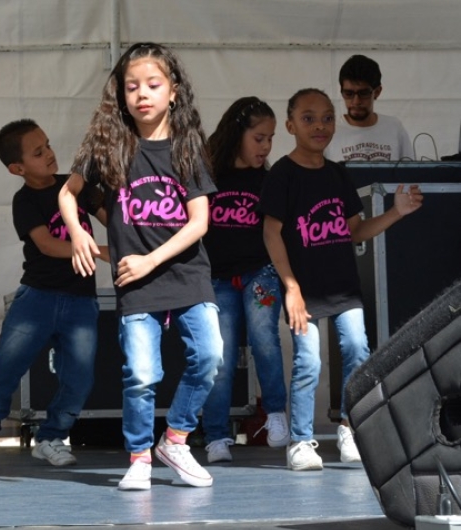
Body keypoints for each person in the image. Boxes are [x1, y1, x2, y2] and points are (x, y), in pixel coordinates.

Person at [59, 42, 223, 490]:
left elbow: (200, 222)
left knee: (209, 356)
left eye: (153, 84)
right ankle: (139, 458)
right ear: (121, 94)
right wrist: (79, 234)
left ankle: (175, 439)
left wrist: (151, 258)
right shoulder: (110, 145)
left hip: (186, 275)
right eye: (132, 86)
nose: (142, 94)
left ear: (173, 92)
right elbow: (67, 193)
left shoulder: (187, 146)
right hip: (136, 285)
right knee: (142, 374)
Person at [260, 88, 423, 471]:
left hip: (343, 287)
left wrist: (396, 213)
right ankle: (300, 442)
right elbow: (271, 233)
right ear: (290, 125)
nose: (320, 126)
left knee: (357, 349)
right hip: (303, 290)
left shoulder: (337, 174)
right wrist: (292, 288)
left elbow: (355, 231)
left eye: (327, 118)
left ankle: (350, 428)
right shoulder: (282, 175)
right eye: (309, 118)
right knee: (309, 362)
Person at [0, 119, 108, 466]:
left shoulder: (76, 186)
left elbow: (113, 217)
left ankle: (53, 437)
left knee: (80, 375)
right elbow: (46, 245)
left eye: (47, 145)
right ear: (17, 168)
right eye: (37, 151)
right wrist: (101, 251)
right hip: (37, 298)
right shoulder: (24, 201)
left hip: (80, 300)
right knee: (6, 366)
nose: (49, 154)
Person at [201, 97, 289, 463]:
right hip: (217, 278)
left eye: (270, 139)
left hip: (260, 272)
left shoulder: (269, 180)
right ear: (238, 134)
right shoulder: (209, 176)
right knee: (219, 356)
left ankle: (276, 415)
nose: (266, 146)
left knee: (264, 338)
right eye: (259, 138)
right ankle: (217, 436)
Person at [325, 55, 412, 162]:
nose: (356, 101)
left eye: (363, 93)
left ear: (377, 92)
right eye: (349, 93)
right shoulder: (329, 132)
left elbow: (409, 174)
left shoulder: (394, 127)